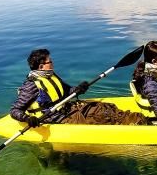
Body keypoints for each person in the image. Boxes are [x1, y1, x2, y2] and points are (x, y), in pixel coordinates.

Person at [10, 49, 147, 126]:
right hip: (55, 118)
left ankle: (138, 120)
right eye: (50, 61)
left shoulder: (51, 75)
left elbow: (67, 91)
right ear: (41, 67)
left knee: (105, 107)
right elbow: (15, 110)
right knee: (100, 117)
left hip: (68, 108)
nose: (52, 63)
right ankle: (136, 125)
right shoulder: (31, 85)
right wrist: (28, 119)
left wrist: (79, 89)